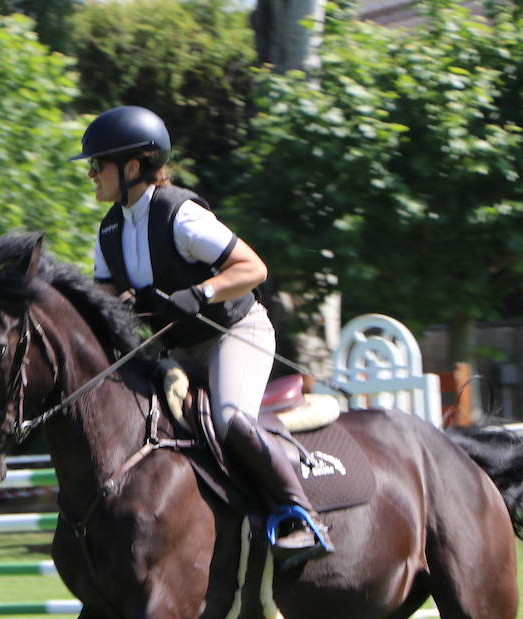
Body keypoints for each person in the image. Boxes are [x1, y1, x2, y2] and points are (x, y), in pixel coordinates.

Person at [71, 104, 331, 563]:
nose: (91, 174)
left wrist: (201, 291)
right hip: (178, 350)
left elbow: (253, 268)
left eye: (98, 164)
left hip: (234, 334)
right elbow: (103, 296)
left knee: (230, 420)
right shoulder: (110, 228)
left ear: (132, 167)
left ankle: (298, 515)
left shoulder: (181, 215)